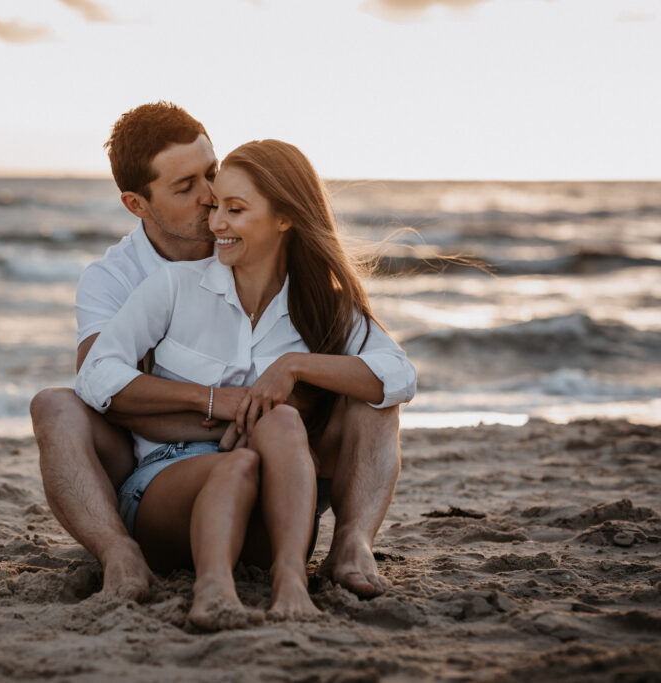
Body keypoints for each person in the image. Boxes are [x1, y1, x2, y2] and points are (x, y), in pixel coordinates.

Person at [29, 102, 408, 606]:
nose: (210, 198)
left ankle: (351, 546)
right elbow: (100, 389)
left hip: (286, 462)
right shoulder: (126, 279)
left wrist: (293, 373)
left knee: (373, 397)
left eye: (212, 174)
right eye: (187, 187)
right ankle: (118, 551)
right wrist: (222, 404)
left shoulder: (292, 276)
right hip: (164, 459)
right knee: (55, 407)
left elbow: (397, 375)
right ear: (138, 204)